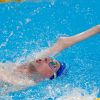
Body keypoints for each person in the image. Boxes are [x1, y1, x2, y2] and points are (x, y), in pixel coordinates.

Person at [0, 25, 100, 88]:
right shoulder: (33, 63)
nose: (48, 59)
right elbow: (62, 43)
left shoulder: (26, 81)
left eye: (52, 64)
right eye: (51, 59)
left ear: (48, 74)